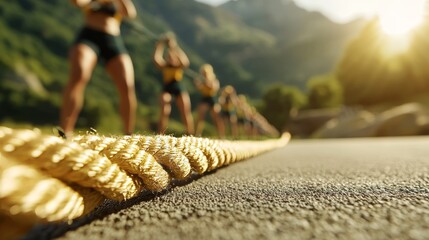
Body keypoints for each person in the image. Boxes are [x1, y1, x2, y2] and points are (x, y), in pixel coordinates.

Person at [60, 0, 137, 137]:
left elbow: (130, 14)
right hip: (89, 36)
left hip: (113, 39)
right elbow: (78, 2)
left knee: (127, 85)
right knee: (78, 74)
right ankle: (65, 132)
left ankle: (128, 134)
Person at [153, 34, 194, 135]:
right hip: (167, 87)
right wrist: (160, 45)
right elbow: (156, 59)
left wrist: (174, 47)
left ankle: (190, 133)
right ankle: (160, 133)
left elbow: (186, 62)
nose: (170, 58)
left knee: (185, 110)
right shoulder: (165, 66)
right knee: (164, 109)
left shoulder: (178, 66)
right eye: (168, 57)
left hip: (178, 86)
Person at [194, 64, 225, 138]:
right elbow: (198, 88)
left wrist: (207, 83)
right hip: (204, 98)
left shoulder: (214, 80)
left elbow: (214, 88)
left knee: (216, 118)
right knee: (200, 117)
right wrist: (198, 83)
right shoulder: (201, 80)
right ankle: (197, 134)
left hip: (212, 98)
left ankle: (221, 135)